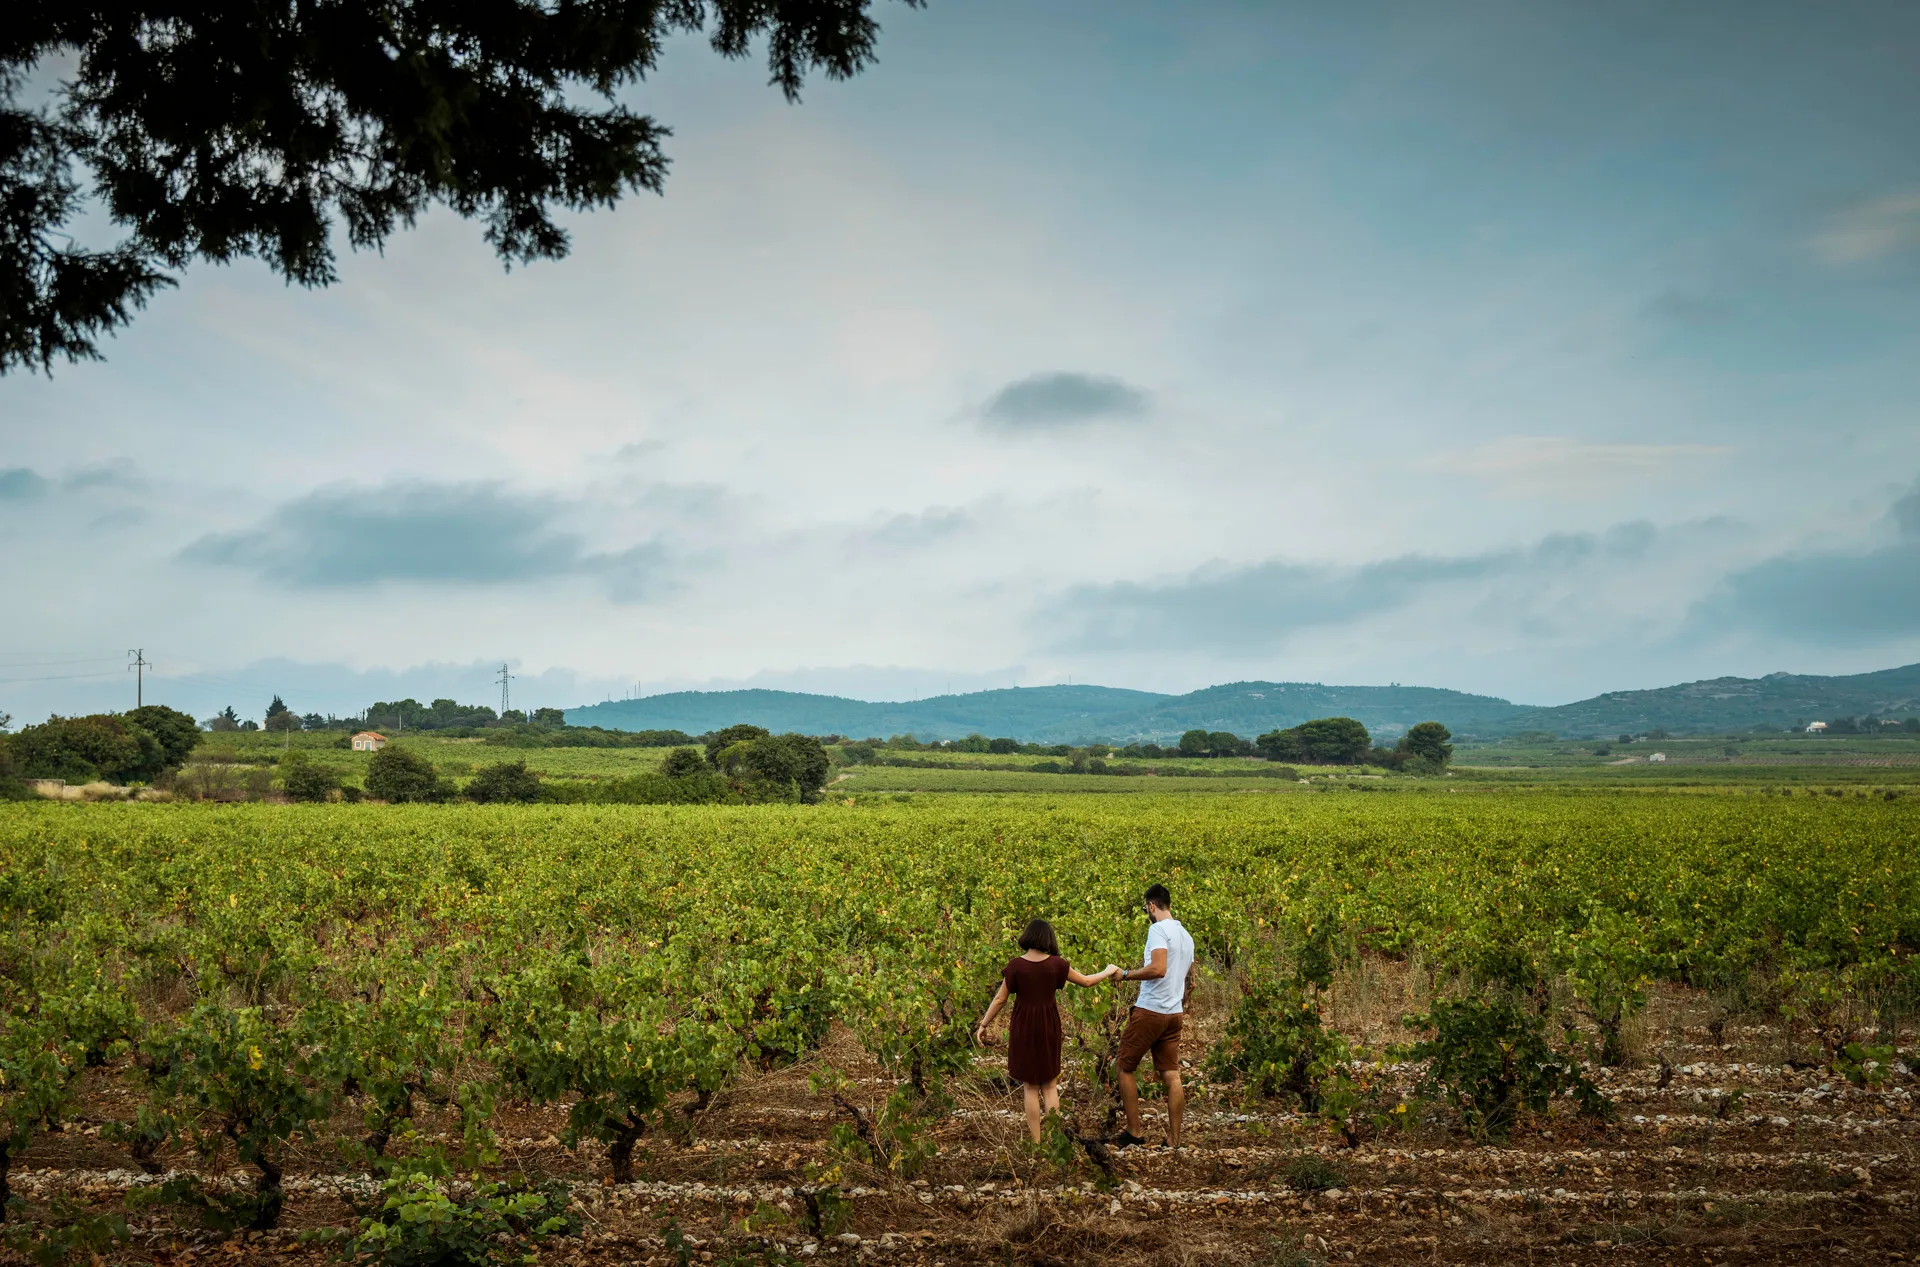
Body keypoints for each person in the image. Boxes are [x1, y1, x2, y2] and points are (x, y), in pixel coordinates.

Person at [975, 918, 1118, 1142]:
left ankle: (1036, 1142)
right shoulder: (1057, 965)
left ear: (1028, 937)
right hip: (1049, 1026)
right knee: (1050, 1085)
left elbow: (1000, 999)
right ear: (1049, 939)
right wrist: (1108, 970)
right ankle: (1055, 1141)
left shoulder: (1015, 966)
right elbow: (1088, 982)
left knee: (1030, 1086)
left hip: (1023, 1028)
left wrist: (983, 1024)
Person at [1104, 882, 1195, 1148]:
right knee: (1171, 1074)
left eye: (1147, 908)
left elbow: (1157, 968)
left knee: (1124, 1066)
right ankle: (1174, 1139)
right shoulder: (1186, 935)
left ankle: (1134, 1132)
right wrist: (1177, 1000)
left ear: (1151, 906)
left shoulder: (1157, 929)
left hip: (1151, 1010)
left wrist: (1125, 975)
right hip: (1174, 1013)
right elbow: (1191, 982)